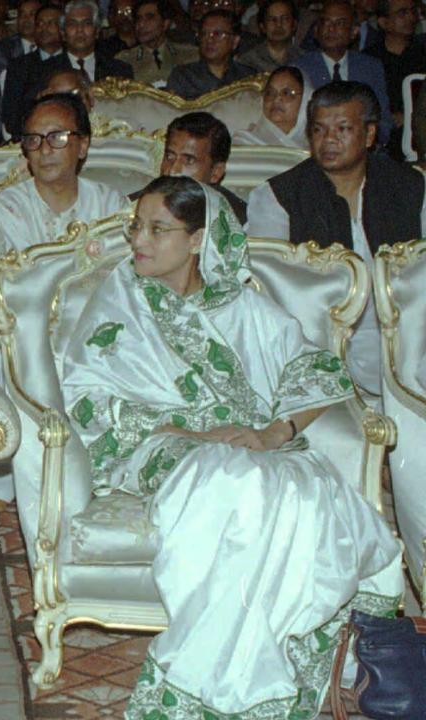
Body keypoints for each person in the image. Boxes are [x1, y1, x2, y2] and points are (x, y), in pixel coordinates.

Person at [62, 175, 402, 720]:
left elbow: (317, 370)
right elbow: (86, 393)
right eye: (136, 227)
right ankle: (229, 686)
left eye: (157, 228)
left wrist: (274, 434)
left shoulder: (242, 305)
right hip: (161, 445)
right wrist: (194, 433)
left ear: (197, 239)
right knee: (236, 482)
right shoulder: (120, 299)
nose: (138, 240)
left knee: (299, 494)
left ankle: (255, 669)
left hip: (254, 447)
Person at [0, 94, 127, 510]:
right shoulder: (7, 206)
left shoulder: (112, 205)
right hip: (16, 318)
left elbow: (124, 281)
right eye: (34, 140)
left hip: (92, 321)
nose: (45, 149)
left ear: (82, 145)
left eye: (58, 137)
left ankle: (95, 468)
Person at [247, 81, 426, 398]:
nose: (328, 140)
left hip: (409, 336)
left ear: (370, 135)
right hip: (319, 342)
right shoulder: (278, 196)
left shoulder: (411, 187)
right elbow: (267, 294)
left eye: (343, 129)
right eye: (318, 130)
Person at [292, 0, 393, 145]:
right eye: (326, 22)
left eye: (339, 23)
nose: (331, 29)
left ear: (354, 31)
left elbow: (384, 122)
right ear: (315, 30)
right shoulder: (298, 70)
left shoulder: (371, 67)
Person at [130, 112, 247, 222]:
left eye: (188, 160)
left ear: (216, 173)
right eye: (170, 157)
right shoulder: (134, 206)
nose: (172, 170)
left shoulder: (233, 221)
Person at [1, 4, 64, 140]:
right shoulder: (19, 66)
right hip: (31, 136)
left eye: (50, 23)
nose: (43, 28)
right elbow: (10, 118)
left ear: (64, 29)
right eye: (39, 24)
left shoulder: (72, 63)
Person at [35, 0, 135, 85]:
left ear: (96, 32)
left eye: (86, 23)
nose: (79, 30)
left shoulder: (119, 70)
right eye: (72, 24)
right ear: (63, 33)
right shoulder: (45, 71)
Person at [364, 0, 426, 132]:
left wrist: (410, 116)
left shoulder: (422, 54)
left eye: (413, 12)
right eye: (402, 13)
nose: (411, 18)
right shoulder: (369, 60)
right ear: (383, 22)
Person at [166, 10, 256, 100]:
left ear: (235, 41)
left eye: (217, 34)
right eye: (204, 34)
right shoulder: (183, 76)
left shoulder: (248, 78)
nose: (209, 40)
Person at [0, 0, 42, 145]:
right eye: (22, 15)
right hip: (9, 117)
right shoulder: (3, 49)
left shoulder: (51, 47)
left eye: (32, 14)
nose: (26, 19)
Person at [117, 0, 199, 86]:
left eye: (149, 18)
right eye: (139, 19)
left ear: (165, 24)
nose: (141, 25)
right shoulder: (125, 60)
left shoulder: (190, 55)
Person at [233, 65, 313, 147]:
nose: (276, 99)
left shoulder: (316, 147)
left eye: (287, 93)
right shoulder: (244, 144)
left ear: (305, 100)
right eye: (270, 93)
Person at [238, 0, 302, 72]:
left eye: (284, 19)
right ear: (262, 26)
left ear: (294, 24)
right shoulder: (247, 62)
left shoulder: (303, 59)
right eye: (272, 19)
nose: (278, 25)